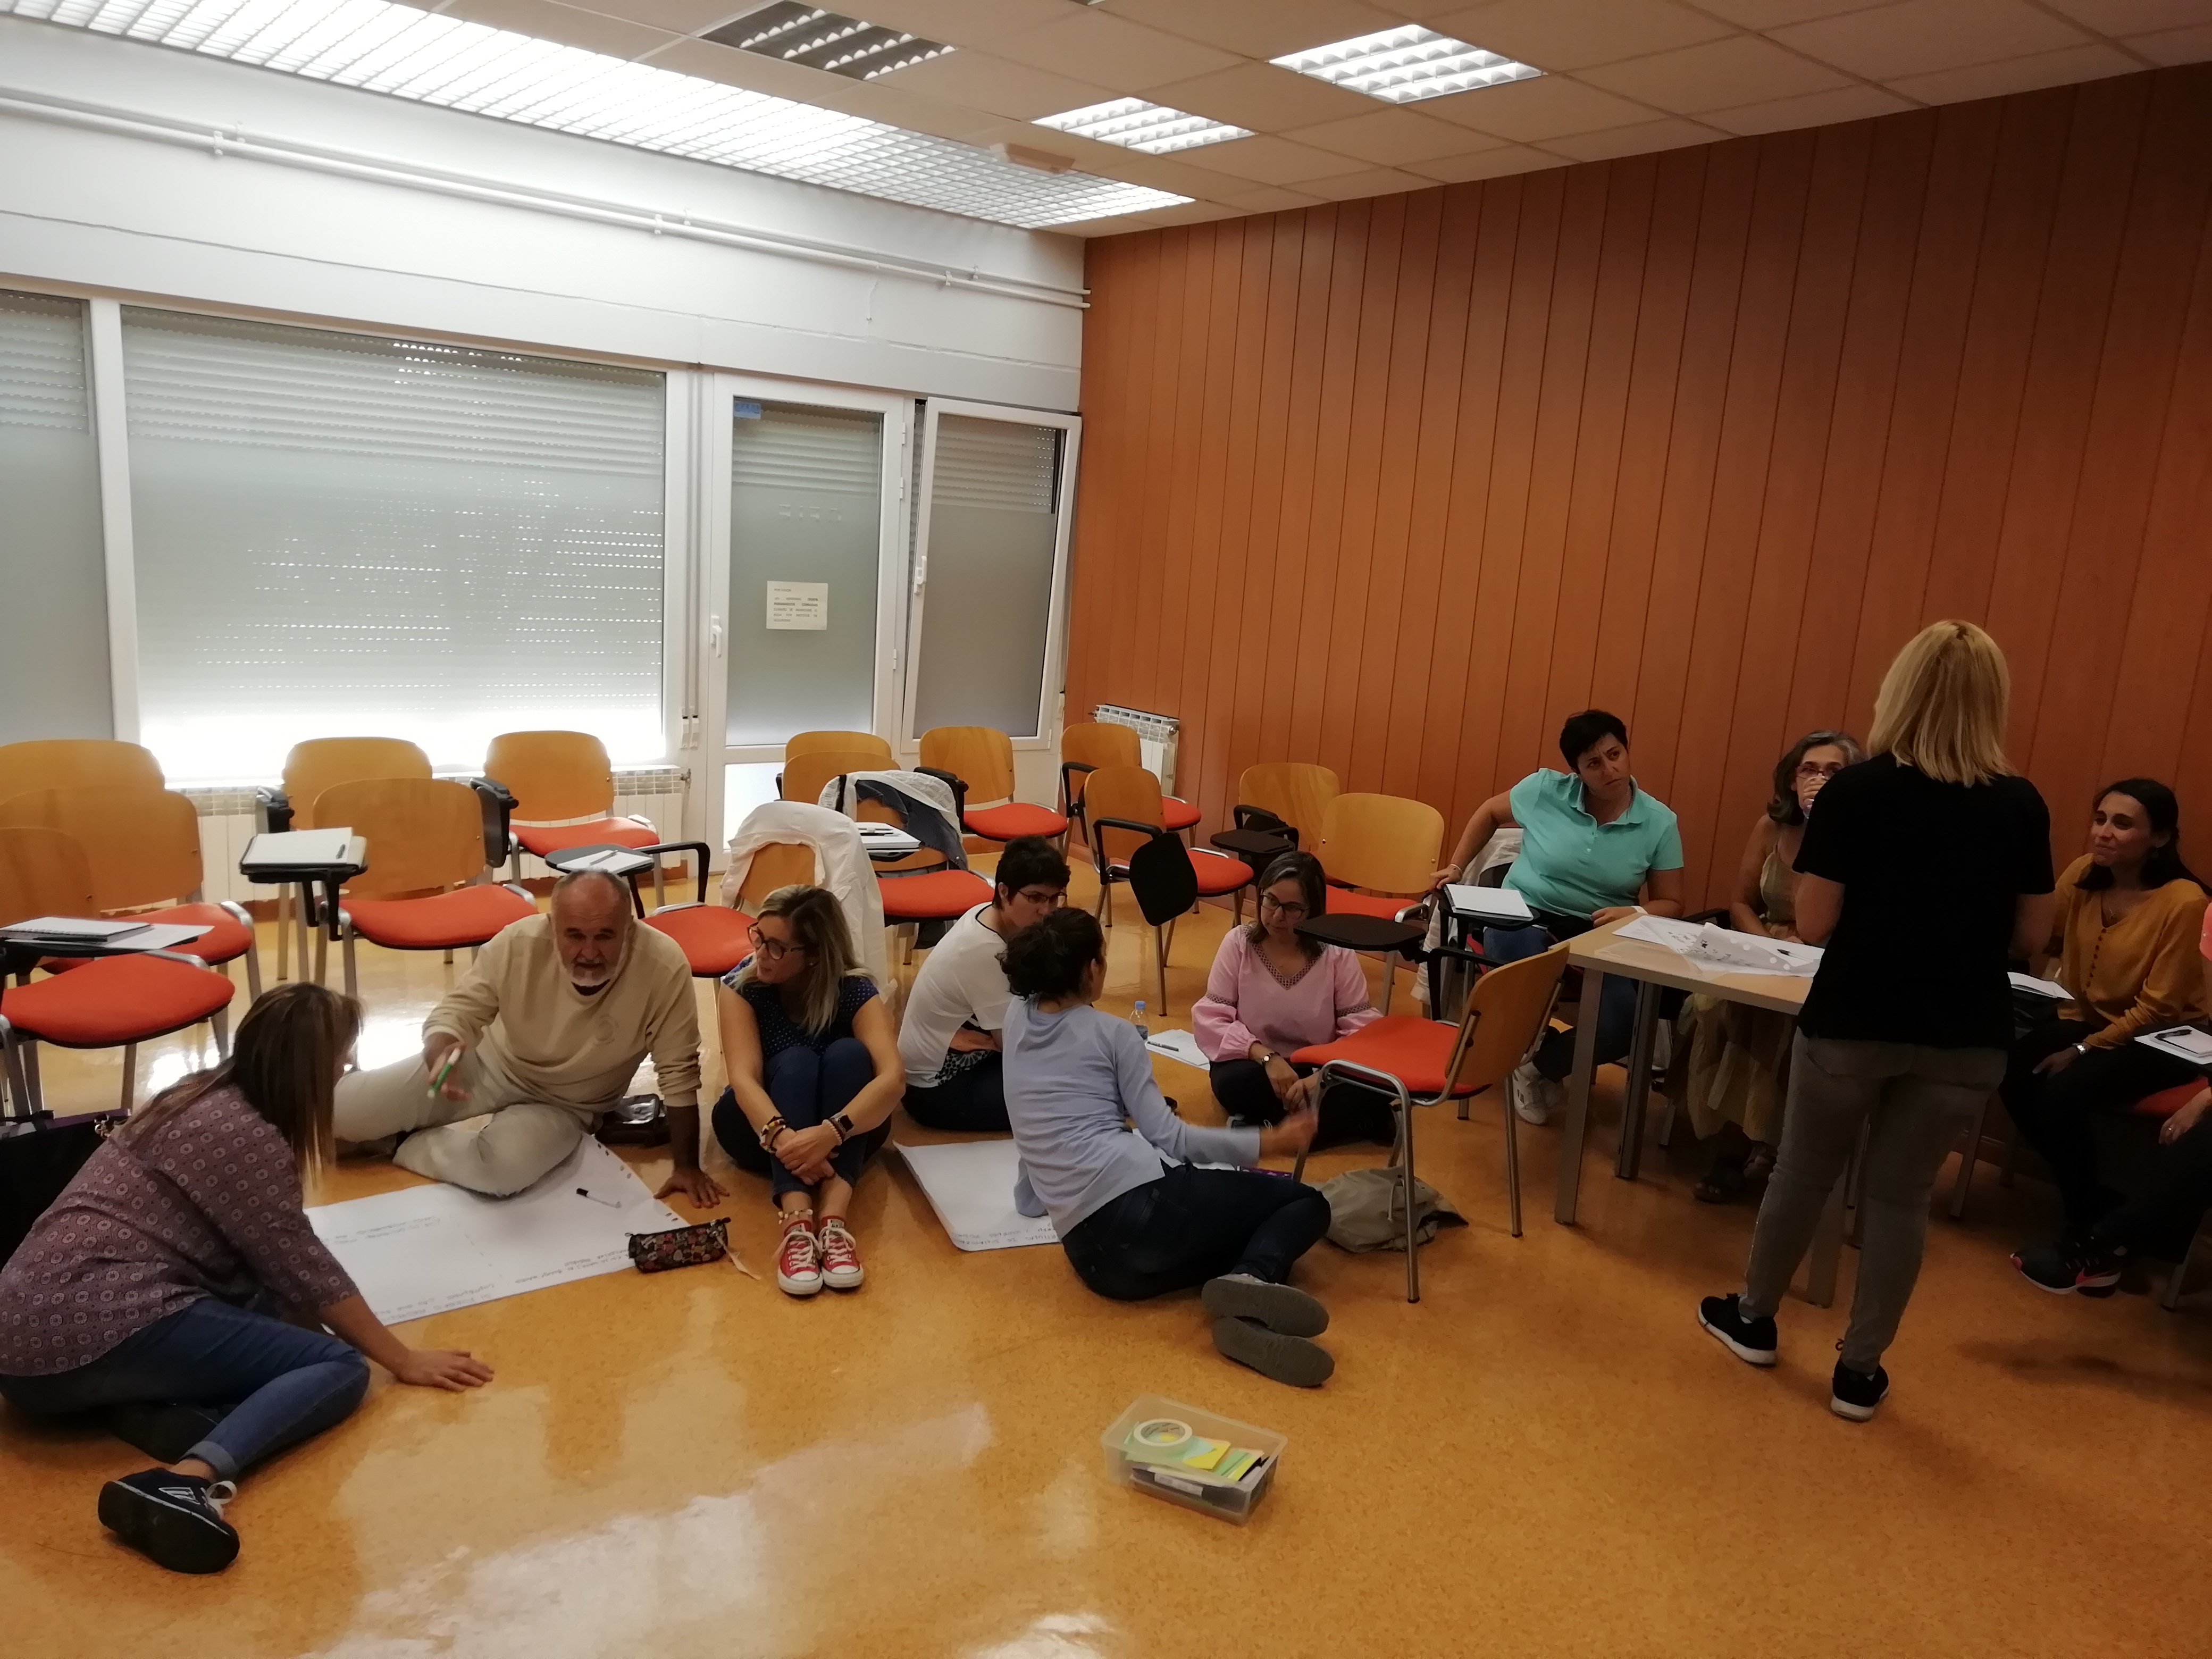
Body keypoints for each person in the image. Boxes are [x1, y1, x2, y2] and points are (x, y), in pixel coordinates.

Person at [0, 984, 492, 1576]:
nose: (346, 1067)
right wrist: (400, 1359)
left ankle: (155, 1411)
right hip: (88, 1330)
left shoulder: (193, 1095)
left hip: (23, 1346)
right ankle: (185, 1481)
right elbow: (302, 1268)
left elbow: (270, 1273)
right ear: (308, 1066)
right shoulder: (248, 1136)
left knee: (271, 1318)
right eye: (341, 1056)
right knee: (339, 1369)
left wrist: (302, 1332)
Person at [1699, 621, 2054, 1423]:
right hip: (1964, 1031)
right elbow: (2033, 935)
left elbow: (1814, 921)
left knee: (1802, 1171)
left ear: (1900, 690)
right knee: (1900, 1199)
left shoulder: (1857, 793)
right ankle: (1859, 1373)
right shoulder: (2020, 803)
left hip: (1855, 1016)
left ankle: (1754, 1319)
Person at [1001, 909, 1333, 1388]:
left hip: (1101, 1267)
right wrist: (1269, 1141)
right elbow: (1171, 1138)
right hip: (1143, 1208)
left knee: (1236, 1234)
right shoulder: (1114, 1034)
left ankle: (1245, 1313)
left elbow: (1029, 1114)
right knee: (1305, 1204)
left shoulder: (1016, 1017)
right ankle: (1253, 1280)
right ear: (1092, 969)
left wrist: (1031, 1197)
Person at [334, 868, 713, 1203]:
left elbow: (678, 1072)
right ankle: (383, 1118)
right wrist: (441, 1048)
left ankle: (399, 1142)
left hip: (569, 1104)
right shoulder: (518, 942)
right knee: (340, 1115)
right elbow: (459, 1011)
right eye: (574, 935)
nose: (589, 952)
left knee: (502, 1173)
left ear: (629, 928)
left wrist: (686, 1167)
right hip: (487, 1065)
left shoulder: (663, 965)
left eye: (605, 936)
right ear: (552, 926)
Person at [1430, 709, 1686, 1125]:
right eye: (1594, 763)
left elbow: (1672, 903)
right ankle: (1525, 1043)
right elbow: (1490, 813)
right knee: (1524, 973)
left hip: (1600, 929)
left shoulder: (1659, 822)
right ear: (1577, 772)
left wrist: (1635, 911)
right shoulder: (1545, 789)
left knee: (1623, 1022)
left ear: (1626, 751)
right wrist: (1456, 867)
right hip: (1524, 911)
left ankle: (1539, 1066)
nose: (1609, 769)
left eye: (1615, 754)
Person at [2002, 780, 2207, 1282]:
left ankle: (2086, 1225)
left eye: (2122, 824)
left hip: (2169, 1036)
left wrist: (2081, 1048)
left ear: (2160, 838)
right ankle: (2096, 1207)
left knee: (2063, 1093)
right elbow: (2041, 936)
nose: (2104, 833)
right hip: (2088, 1017)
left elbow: (2159, 1007)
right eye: (2100, 819)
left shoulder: (2184, 901)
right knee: (2011, 1069)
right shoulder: (2083, 874)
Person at [1675, 731, 1863, 1202]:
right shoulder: (1771, 828)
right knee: (1717, 1006)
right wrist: (1768, 943)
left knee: (1782, 1024)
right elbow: (1740, 902)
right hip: (1765, 947)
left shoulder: (1863, 837)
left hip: (1828, 960)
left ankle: (1760, 1147)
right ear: (1792, 779)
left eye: (1833, 772)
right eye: (1809, 769)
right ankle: (1733, 1141)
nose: (1818, 779)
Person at [709, 884, 904, 1297]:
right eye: (759, 937)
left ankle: (833, 1223)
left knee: (851, 1055)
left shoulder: (854, 989)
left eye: (777, 947)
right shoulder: (743, 985)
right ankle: (797, 1223)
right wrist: (788, 1142)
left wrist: (831, 1133)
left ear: (814, 954)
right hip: (763, 1130)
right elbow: (743, 1079)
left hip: (840, 1135)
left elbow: (892, 1079)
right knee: (796, 1062)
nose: (761, 953)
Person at [1192, 850, 1391, 1147]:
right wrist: (1267, 1058)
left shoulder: (1336, 952)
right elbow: (1212, 1017)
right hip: (1257, 1064)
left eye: (1292, 908)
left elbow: (1361, 1031)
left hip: (1320, 1067)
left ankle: (1270, 1127)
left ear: (1313, 910)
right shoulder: (1238, 943)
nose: (1277, 916)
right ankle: (1347, 1126)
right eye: (1270, 900)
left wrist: (1324, 1077)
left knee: (1378, 1083)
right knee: (1232, 1083)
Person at [897, 836, 1068, 1133]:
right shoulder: (984, 950)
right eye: (1035, 898)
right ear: (1004, 892)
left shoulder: (989, 915)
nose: (1047, 910)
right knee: (1074, 1092)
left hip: (973, 1056)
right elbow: (1017, 1047)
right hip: (939, 1087)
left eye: (1054, 899)